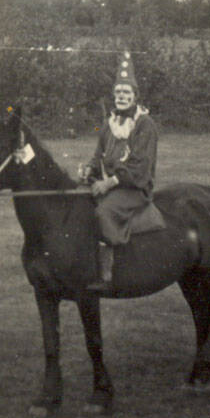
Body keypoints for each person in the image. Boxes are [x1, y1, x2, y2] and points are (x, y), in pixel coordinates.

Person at [78, 51, 160, 290]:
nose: (121, 96)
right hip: (109, 183)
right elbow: (98, 155)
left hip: (135, 188)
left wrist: (110, 183)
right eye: (118, 92)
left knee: (104, 211)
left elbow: (140, 166)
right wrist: (89, 171)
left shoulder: (145, 125)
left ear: (135, 96)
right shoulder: (109, 124)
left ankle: (107, 273)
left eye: (126, 93)